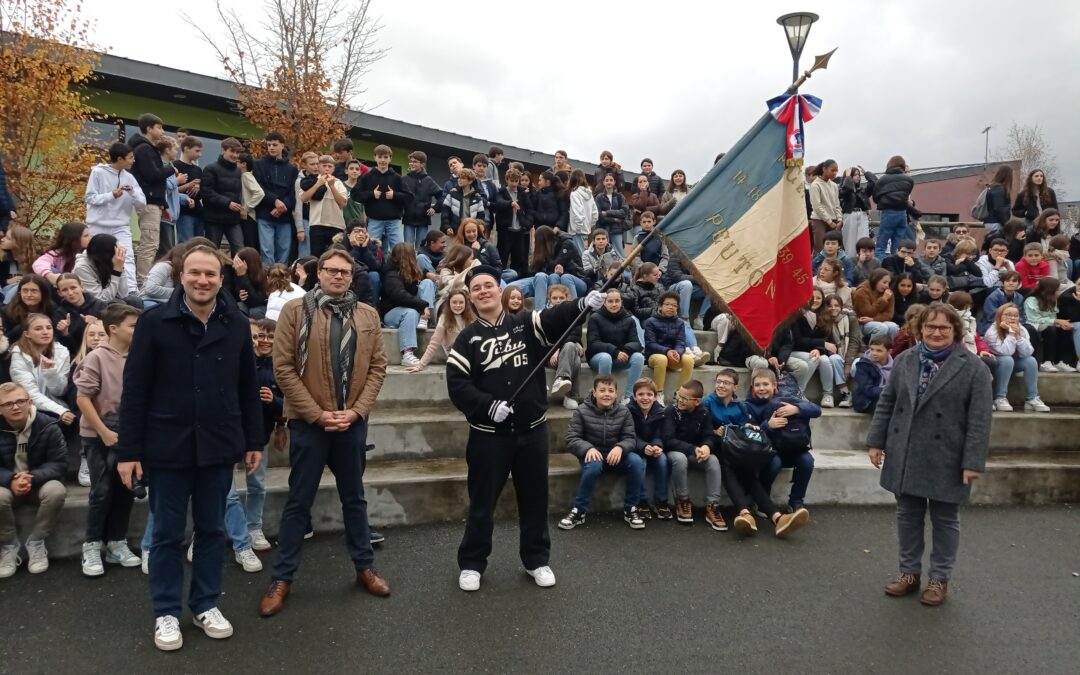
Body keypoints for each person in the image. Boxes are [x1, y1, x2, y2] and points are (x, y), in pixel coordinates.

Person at [116, 245, 263, 651]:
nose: (203, 281)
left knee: (213, 531)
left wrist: (254, 440)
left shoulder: (235, 322)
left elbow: (247, 387)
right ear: (181, 275)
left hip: (218, 444)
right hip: (167, 446)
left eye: (211, 275)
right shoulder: (154, 322)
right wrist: (128, 451)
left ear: (221, 278)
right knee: (165, 534)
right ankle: (166, 611)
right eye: (195, 273)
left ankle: (204, 603)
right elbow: (135, 391)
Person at [447, 265, 604, 592]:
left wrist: (582, 304)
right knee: (482, 501)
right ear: (471, 297)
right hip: (488, 437)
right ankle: (473, 563)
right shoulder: (466, 338)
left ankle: (536, 560)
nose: (483, 292)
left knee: (535, 499)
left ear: (499, 289)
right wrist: (489, 406)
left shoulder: (526, 323)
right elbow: (458, 386)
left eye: (488, 285)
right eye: (476, 289)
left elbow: (554, 316)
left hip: (532, 433)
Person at [259, 249, 390, 616]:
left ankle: (365, 567)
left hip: (351, 423)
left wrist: (356, 412)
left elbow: (378, 367)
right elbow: (283, 368)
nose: (337, 276)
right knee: (299, 502)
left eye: (344, 272)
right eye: (331, 270)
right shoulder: (295, 312)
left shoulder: (367, 314)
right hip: (309, 424)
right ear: (319, 274)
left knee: (355, 499)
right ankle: (282, 577)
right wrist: (318, 415)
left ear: (351, 277)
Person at [868, 302, 992, 606]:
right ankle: (909, 573)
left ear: (955, 331)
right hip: (906, 450)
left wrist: (972, 462)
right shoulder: (905, 360)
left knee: (945, 519)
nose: (936, 332)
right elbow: (887, 402)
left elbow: (979, 420)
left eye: (944, 328)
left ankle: (939, 579)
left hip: (948, 455)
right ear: (920, 328)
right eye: (930, 327)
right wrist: (876, 441)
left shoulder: (974, 367)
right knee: (907, 515)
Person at [75, 304, 142, 577]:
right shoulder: (97, 357)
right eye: (133, 326)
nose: (138, 331)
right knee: (101, 491)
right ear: (113, 329)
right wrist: (102, 431)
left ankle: (117, 541)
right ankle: (91, 545)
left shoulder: (139, 357)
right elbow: (83, 398)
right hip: (98, 436)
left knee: (125, 490)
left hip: (128, 435)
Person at [558, 375, 646, 530]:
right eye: (602, 390)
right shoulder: (581, 411)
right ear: (594, 392)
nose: (607, 394)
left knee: (637, 461)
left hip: (615, 454)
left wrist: (620, 447)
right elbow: (572, 438)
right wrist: (588, 448)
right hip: (591, 454)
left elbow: (630, 438)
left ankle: (631, 508)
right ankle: (579, 510)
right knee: (593, 466)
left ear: (616, 394)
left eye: (611, 391)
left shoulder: (624, 412)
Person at [0, 382, 68, 578]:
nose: (15, 407)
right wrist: (11, 479)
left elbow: (59, 463)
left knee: (56, 491)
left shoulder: (48, 425)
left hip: (38, 483)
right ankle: (8, 545)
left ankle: (37, 541)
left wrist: (32, 477)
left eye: (20, 401)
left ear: (29, 402)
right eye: (8, 404)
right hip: (7, 486)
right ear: (0, 408)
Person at [745, 368, 820, 515]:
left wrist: (797, 409)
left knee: (807, 461)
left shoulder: (787, 400)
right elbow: (748, 433)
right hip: (768, 451)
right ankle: (762, 501)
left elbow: (817, 410)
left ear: (774, 386)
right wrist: (768, 426)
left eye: (765, 384)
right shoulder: (749, 405)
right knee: (775, 463)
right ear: (752, 388)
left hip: (793, 448)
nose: (761, 388)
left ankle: (796, 503)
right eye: (757, 385)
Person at [663, 379, 725, 530]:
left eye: (685, 398)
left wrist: (706, 446)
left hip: (695, 452)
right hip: (675, 452)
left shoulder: (704, 412)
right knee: (680, 458)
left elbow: (709, 435)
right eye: (679, 395)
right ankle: (683, 500)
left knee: (713, 460)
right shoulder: (671, 411)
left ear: (697, 401)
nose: (680, 400)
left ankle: (713, 506)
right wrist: (692, 449)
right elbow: (668, 440)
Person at [128, 114, 180, 286]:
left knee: (152, 244)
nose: (162, 131)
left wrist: (163, 204)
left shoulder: (147, 149)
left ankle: (145, 280)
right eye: (159, 127)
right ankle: (143, 282)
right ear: (149, 128)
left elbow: (155, 181)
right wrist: (170, 169)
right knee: (149, 244)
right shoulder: (144, 149)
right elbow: (152, 176)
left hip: (154, 201)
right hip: (148, 202)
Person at [85, 142, 144, 291]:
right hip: (98, 225)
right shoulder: (98, 172)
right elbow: (90, 198)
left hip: (120, 226)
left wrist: (132, 192)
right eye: (130, 157)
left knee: (127, 256)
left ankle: (131, 291)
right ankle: (94, 288)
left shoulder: (130, 178)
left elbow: (142, 204)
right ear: (119, 159)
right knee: (94, 258)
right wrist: (111, 195)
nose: (133, 160)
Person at [9, 314, 74, 428]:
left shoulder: (62, 352)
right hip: (29, 409)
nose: (45, 332)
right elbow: (30, 394)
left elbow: (60, 391)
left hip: (57, 406)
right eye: (38, 329)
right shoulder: (19, 354)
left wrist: (50, 372)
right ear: (27, 334)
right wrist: (60, 411)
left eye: (49, 328)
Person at [378, 243, 435, 367]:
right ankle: (407, 354)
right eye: (413, 253)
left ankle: (425, 319)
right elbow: (399, 295)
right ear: (407, 256)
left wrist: (428, 274)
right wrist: (422, 305)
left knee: (428, 283)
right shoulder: (391, 274)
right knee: (410, 312)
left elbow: (419, 276)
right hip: (392, 312)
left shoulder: (410, 269)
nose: (416, 255)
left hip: (413, 309)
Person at [354, 145, 411, 258]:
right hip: (374, 221)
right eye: (380, 157)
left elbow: (409, 197)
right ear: (375, 157)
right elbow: (355, 195)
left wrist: (395, 195)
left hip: (394, 222)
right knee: (372, 250)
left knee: (400, 251)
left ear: (390, 158)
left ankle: (398, 274)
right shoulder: (367, 177)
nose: (382, 160)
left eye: (385, 157)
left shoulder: (397, 178)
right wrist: (371, 194)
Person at [627, 377, 671, 520]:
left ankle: (661, 500)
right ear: (634, 396)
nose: (645, 398)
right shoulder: (628, 411)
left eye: (649, 394)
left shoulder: (660, 411)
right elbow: (629, 435)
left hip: (652, 447)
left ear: (655, 396)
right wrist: (643, 446)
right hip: (635, 447)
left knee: (663, 460)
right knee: (641, 463)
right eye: (640, 394)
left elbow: (660, 433)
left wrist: (657, 446)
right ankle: (642, 501)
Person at [509, 226, 584, 310]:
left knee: (554, 276)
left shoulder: (565, 243)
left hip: (573, 278)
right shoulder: (547, 249)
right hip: (545, 279)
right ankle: (539, 314)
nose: (534, 242)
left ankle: (554, 310)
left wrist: (545, 258)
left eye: (536, 239)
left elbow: (555, 267)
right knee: (511, 287)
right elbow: (536, 271)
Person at [252, 132, 300, 265]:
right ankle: (268, 279)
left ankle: (280, 280)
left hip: (285, 216)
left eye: (274, 145)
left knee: (284, 251)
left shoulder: (292, 169)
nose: (271, 148)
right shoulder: (258, 165)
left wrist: (283, 206)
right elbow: (258, 187)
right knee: (267, 250)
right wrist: (275, 201)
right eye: (268, 145)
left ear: (282, 145)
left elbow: (293, 192)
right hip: (265, 213)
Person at [586, 288, 645, 393]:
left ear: (621, 302)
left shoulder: (629, 319)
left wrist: (625, 351)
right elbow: (593, 344)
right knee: (606, 358)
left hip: (620, 357)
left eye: (617, 301)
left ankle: (629, 396)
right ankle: (605, 394)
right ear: (604, 303)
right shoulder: (595, 318)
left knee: (639, 357)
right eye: (610, 301)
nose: (614, 304)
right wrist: (615, 351)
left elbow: (636, 343)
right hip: (598, 358)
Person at [407, 288, 475, 372]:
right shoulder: (444, 319)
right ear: (449, 303)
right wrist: (420, 366)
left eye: (461, 302)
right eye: (454, 302)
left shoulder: (471, 319)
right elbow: (433, 344)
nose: (458, 305)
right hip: (454, 354)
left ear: (465, 304)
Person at [644, 292, 695, 402]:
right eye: (667, 304)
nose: (671, 307)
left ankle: (680, 394)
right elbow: (650, 344)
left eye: (674, 305)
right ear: (660, 306)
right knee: (662, 359)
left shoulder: (680, 323)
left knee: (689, 360)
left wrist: (677, 352)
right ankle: (658, 394)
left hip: (672, 356)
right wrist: (667, 351)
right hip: (654, 357)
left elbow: (681, 342)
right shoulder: (650, 322)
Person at [200, 137, 246, 257]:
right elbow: (206, 192)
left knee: (240, 250)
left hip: (233, 219)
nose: (235, 155)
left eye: (237, 152)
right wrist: (228, 203)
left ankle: (238, 275)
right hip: (214, 219)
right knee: (211, 251)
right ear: (223, 150)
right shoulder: (210, 168)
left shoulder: (238, 172)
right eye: (232, 151)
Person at [299, 155, 349, 258]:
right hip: (317, 224)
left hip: (336, 225)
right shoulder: (311, 180)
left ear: (334, 169)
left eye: (330, 166)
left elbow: (343, 203)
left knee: (335, 256)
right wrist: (318, 184)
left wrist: (331, 185)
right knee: (316, 256)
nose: (326, 169)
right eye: (324, 165)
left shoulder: (338, 183)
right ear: (319, 167)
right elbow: (303, 198)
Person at [544, 285, 584, 410]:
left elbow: (575, 335)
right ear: (549, 299)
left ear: (567, 298)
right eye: (554, 297)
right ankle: (572, 396)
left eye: (561, 297)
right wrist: (554, 351)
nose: (558, 300)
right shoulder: (543, 316)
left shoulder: (574, 314)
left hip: (565, 352)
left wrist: (558, 349)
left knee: (571, 346)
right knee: (575, 360)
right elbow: (544, 339)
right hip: (550, 357)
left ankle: (562, 378)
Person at [872, 155, 921, 258]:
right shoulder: (909, 180)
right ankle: (897, 270)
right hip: (902, 213)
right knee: (898, 247)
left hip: (888, 212)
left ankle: (883, 270)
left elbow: (875, 198)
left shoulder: (882, 180)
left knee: (881, 246)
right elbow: (906, 195)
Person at [1024, 277, 1074, 373]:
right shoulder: (1031, 300)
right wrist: (1056, 321)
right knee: (1050, 329)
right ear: (1050, 290)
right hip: (1033, 325)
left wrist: (1060, 323)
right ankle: (1046, 362)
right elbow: (1034, 319)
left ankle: (1060, 361)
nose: (1059, 291)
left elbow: (1052, 316)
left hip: (1048, 324)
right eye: (1057, 289)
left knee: (1066, 329)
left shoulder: (1053, 300)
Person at [73, 234, 134, 306]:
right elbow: (102, 300)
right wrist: (116, 271)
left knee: (134, 300)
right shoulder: (81, 268)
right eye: (116, 250)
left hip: (109, 297)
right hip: (92, 305)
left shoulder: (108, 261)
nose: (119, 253)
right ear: (107, 254)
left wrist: (120, 268)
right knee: (120, 304)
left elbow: (123, 295)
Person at [493, 169, 532, 280]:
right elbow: (499, 203)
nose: (514, 184)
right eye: (512, 181)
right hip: (505, 230)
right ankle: (501, 280)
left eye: (516, 181)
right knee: (503, 257)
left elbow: (529, 209)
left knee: (518, 258)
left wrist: (527, 223)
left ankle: (515, 281)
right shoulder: (501, 191)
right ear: (507, 180)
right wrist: (511, 203)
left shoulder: (522, 192)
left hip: (519, 230)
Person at [54, 273, 107, 353]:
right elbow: (67, 349)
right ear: (59, 293)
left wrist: (97, 323)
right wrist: (65, 333)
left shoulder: (100, 305)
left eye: (73, 287)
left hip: (101, 351)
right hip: (76, 355)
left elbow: (111, 333)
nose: (70, 293)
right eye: (65, 290)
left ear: (82, 287)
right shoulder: (59, 313)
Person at [401, 151, 443, 249]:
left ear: (422, 164)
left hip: (423, 219)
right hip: (408, 219)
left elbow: (441, 196)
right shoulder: (404, 180)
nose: (412, 164)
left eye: (415, 162)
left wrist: (435, 208)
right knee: (408, 248)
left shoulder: (429, 181)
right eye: (411, 161)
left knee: (421, 248)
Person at [2, 275, 54, 344]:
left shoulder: (52, 309)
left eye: (34, 291)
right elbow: (5, 340)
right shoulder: (6, 311)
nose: (29, 294)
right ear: (19, 293)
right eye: (25, 290)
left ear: (43, 293)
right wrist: (26, 324)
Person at [851, 334, 893, 414]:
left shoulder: (895, 365)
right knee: (887, 406)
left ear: (889, 352)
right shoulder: (863, 365)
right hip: (866, 401)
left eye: (879, 350)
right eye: (872, 349)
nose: (874, 353)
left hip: (887, 397)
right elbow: (868, 390)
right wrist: (890, 392)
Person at [839, 166, 875, 258]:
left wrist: (866, 173)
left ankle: (863, 261)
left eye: (858, 175)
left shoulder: (862, 190)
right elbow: (846, 190)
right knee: (849, 243)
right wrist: (847, 177)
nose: (858, 177)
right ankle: (850, 264)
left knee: (864, 241)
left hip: (862, 215)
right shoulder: (843, 190)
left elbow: (874, 183)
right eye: (855, 175)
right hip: (850, 214)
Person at [440, 167, 487, 237]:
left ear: (470, 181)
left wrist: (477, 229)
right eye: (458, 178)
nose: (459, 180)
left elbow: (481, 218)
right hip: (454, 233)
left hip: (470, 234)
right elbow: (445, 214)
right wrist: (447, 227)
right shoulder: (452, 194)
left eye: (463, 178)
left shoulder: (477, 198)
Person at [173, 136, 204, 243]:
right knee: (186, 243)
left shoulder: (198, 169)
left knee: (199, 244)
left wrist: (198, 189)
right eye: (197, 151)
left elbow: (202, 193)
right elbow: (171, 191)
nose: (199, 154)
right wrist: (188, 186)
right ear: (186, 148)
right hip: (183, 212)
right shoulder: (175, 166)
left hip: (198, 212)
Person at [853, 269, 899, 339]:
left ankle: (890, 349)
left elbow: (889, 315)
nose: (887, 286)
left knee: (894, 327)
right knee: (881, 328)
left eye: (889, 283)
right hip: (862, 323)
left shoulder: (888, 293)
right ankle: (873, 349)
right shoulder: (862, 291)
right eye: (884, 282)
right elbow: (867, 313)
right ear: (876, 280)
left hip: (876, 320)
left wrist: (873, 319)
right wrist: (883, 300)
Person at [809, 159, 842, 253]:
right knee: (820, 248)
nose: (835, 173)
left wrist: (839, 219)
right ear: (824, 169)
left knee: (835, 248)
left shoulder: (834, 185)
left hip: (834, 221)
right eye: (832, 170)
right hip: (819, 220)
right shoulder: (815, 185)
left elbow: (837, 204)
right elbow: (817, 206)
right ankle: (817, 268)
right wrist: (829, 221)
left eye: (836, 171)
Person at [228, 248, 269, 318]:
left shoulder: (266, 275)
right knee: (238, 307)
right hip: (249, 305)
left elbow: (256, 301)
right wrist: (239, 297)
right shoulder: (237, 274)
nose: (233, 266)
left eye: (237, 263)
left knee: (255, 312)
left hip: (264, 306)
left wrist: (242, 276)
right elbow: (234, 296)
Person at [236, 152, 265, 250]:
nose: (235, 164)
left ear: (244, 164)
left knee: (249, 246)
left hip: (248, 217)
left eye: (237, 162)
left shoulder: (246, 176)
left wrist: (246, 208)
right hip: (249, 216)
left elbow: (259, 192)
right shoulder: (245, 176)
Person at [595, 173, 630, 255]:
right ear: (603, 182)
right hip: (603, 229)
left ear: (614, 182)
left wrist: (607, 213)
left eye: (611, 180)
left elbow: (624, 212)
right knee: (603, 254)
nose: (609, 182)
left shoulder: (620, 196)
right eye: (607, 180)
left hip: (617, 229)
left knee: (620, 254)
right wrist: (614, 219)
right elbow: (599, 216)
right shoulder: (599, 197)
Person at [566, 169, 598, 253]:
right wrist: (588, 225)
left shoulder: (574, 193)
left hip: (576, 231)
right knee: (583, 255)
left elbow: (578, 212)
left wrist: (578, 228)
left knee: (579, 257)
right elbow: (595, 213)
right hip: (586, 230)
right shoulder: (589, 193)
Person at [981, 165, 1015, 241]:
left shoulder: (993, 187)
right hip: (996, 222)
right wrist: (1006, 223)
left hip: (991, 221)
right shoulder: (999, 189)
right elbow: (999, 208)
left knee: (994, 244)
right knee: (998, 244)